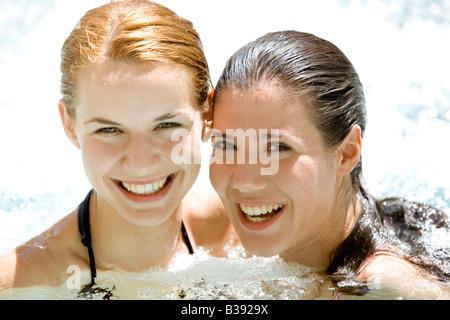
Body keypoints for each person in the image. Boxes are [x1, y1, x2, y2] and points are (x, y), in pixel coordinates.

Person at [0, 0, 235, 296]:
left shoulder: (245, 232)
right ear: (69, 125)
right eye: (109, 129)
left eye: (166, 125)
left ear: (207, 115)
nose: (141, 163)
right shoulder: (20, 284)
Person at [209, 30, 450, 299]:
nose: (243, 180)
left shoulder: (381, 288)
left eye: (277, 149)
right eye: (227, 146)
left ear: (347, 153)